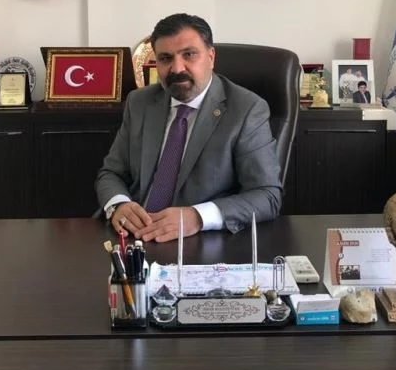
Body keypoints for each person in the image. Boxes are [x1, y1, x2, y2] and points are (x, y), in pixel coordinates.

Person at [96, 13, 282, 242]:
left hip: (200, 241)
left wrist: (198, 217)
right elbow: (111, 173)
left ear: (211, 57)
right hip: (133, 235)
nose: (176, 69)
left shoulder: (246, 109)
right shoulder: (140, 102)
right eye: (165, 58)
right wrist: (119, 204)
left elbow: (267, 196)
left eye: (189, 55)